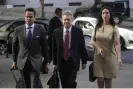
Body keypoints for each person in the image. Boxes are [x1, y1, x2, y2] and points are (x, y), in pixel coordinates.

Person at [12, 8, 49, 88]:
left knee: (35, 84)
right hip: (22, 62)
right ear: (24, 17)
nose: (28, 18)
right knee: (26, 84)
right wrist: (14, 61)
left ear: (34, 18)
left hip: (36, 61)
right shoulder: (18, 30)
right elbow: (14, 46)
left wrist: (46, 62)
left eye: (30, 17)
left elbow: (44, 46)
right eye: (27, 16)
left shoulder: (40, 29)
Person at [52, 11, 89, 88]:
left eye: (68, 19)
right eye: (65, 19)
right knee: (63, 82)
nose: (66, 21)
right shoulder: (56, 32)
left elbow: (82, 46)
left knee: (71, 82)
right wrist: (54, 63)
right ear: (62, 20)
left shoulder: (78, 31)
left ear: (72, 20)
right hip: (61, 62)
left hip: (73, 61)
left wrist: (84, 61)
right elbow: (54, 49)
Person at [90, 6, 123, 88]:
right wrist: (98, 48)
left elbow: (117, 43)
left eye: (107, 13)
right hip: (98, 56)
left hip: (110, 56)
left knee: (108, 80)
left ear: (110, 15)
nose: (105, 14)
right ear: (101, 15)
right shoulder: (97, 26)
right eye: (103, 13)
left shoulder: (114, 27)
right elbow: (92, 41)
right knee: (100, 79)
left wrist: (119, 58)